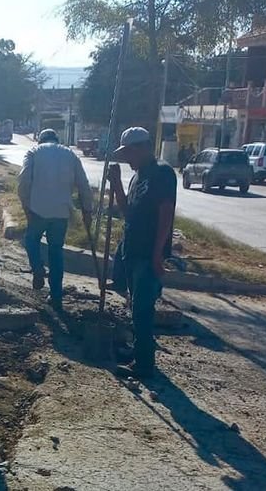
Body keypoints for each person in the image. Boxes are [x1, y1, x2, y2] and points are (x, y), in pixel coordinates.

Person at [106, 127, 177, 380]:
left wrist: (158, 254)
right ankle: (139, 353)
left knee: (142, 311)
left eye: (129, 153)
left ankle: (145, 366)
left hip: (148, 255)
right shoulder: (138, 176)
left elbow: (166, 214)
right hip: (132, 251)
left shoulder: (162, 173)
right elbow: (128, 212)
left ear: (142, 148)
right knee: (135, 307)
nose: (127, 159)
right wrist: (116, 184)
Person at [18, 128, 93, 311]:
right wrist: (87, 211)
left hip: (38, 210)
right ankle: (57, 295)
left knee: (31, 239)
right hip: (61, 212)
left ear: (40, 140)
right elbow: (84, 184)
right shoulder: (70, 154)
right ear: (57, 140)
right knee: (56, 252)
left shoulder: (34, 152)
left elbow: (23, 181)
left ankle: (37, 267)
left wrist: (26, 206)